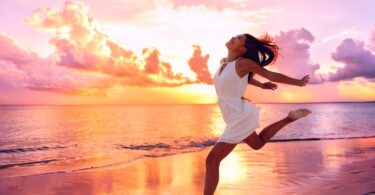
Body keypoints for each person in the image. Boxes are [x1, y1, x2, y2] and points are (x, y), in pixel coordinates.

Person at [203, 33, 312, 195]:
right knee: (257, 143)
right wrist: (260, 86)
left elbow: (272, 75)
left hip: (238, 116)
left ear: (242, 49)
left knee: (212, 160)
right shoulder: (223, 63)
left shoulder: (244, 63)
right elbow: (238, 78)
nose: (234, 37)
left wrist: (298, 82)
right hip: (231, 113)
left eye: (239, 38)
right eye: (236, 36)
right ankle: (289, 119)